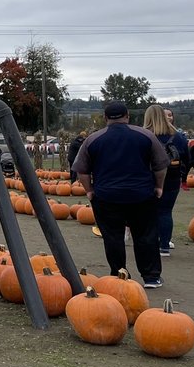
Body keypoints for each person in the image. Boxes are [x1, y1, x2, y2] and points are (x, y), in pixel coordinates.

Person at [72, 101, 169, 289]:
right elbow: (160, 165)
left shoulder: (93, 139)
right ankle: (151, 277)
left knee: (113, 237)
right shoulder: (145, 135)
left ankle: (119, 274)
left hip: (107, 196)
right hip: (141, 194)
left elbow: (81, 170)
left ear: (105, 118)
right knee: (146, 235)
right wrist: (159, 186)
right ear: (128, 116)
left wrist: (90, 190)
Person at [144, 104, 188, 257]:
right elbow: (187, 158)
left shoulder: (145, 135)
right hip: (172, 178)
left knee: (149, 212)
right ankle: (164, 245)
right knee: (166, 212)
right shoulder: (179, 136)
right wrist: (182, 174)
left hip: (149, 177)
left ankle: (151, 241)